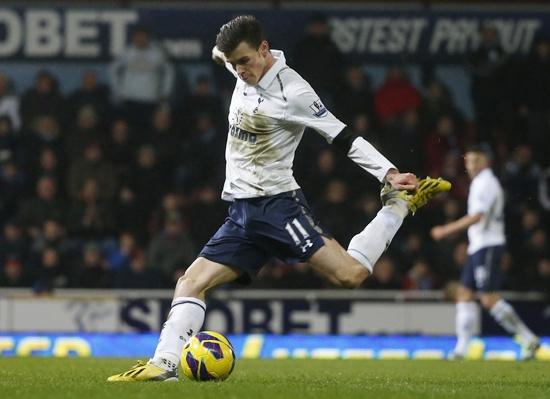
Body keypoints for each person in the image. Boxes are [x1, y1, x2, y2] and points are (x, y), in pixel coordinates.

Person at [108, 15, 450, 382]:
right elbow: (220, 55)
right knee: (190, 282)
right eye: (233, 62)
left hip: (278, 206)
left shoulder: (294, 92)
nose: (240, 70)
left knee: (350, 275)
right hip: (241, 213)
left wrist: (389, 172)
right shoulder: (236, 62)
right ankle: (164, 365)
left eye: (245, 61)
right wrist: (221, 56)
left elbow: (343, 136)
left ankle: (397, 204)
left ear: (264, 50)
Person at [430, 144, 540, 360]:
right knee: (464, 294)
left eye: (475, 161)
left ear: (485, 162)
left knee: (488, 299)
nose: (470, 165)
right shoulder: (481, 183)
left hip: (489, 245)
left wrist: (446, 229)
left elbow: (477, 216)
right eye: (468, 161)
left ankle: (529, 339)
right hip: (478, 246)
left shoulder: (486, 183)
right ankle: (461, 350)